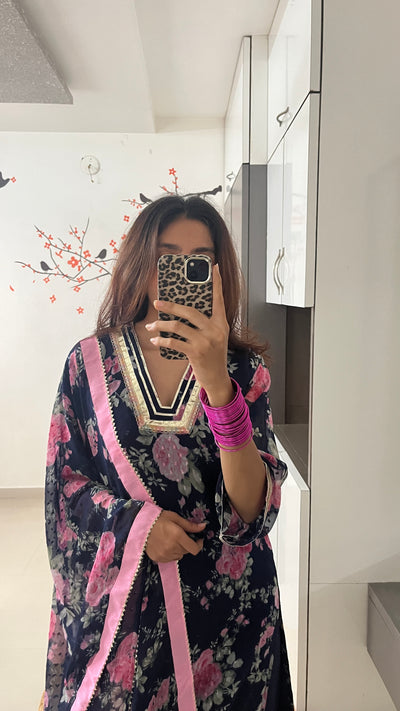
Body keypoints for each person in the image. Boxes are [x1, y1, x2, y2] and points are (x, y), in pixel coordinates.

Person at [44, 195, 294, 711]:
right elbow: (66, 489)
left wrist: (218, 384)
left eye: (199, 260)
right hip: (126, 613)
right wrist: (136, 528)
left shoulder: (244, 372)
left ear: (218, 274)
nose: (182, 272)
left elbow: (252, 511)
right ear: (142, 264)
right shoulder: (88, 364)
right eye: (166, 257)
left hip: (230, 614)